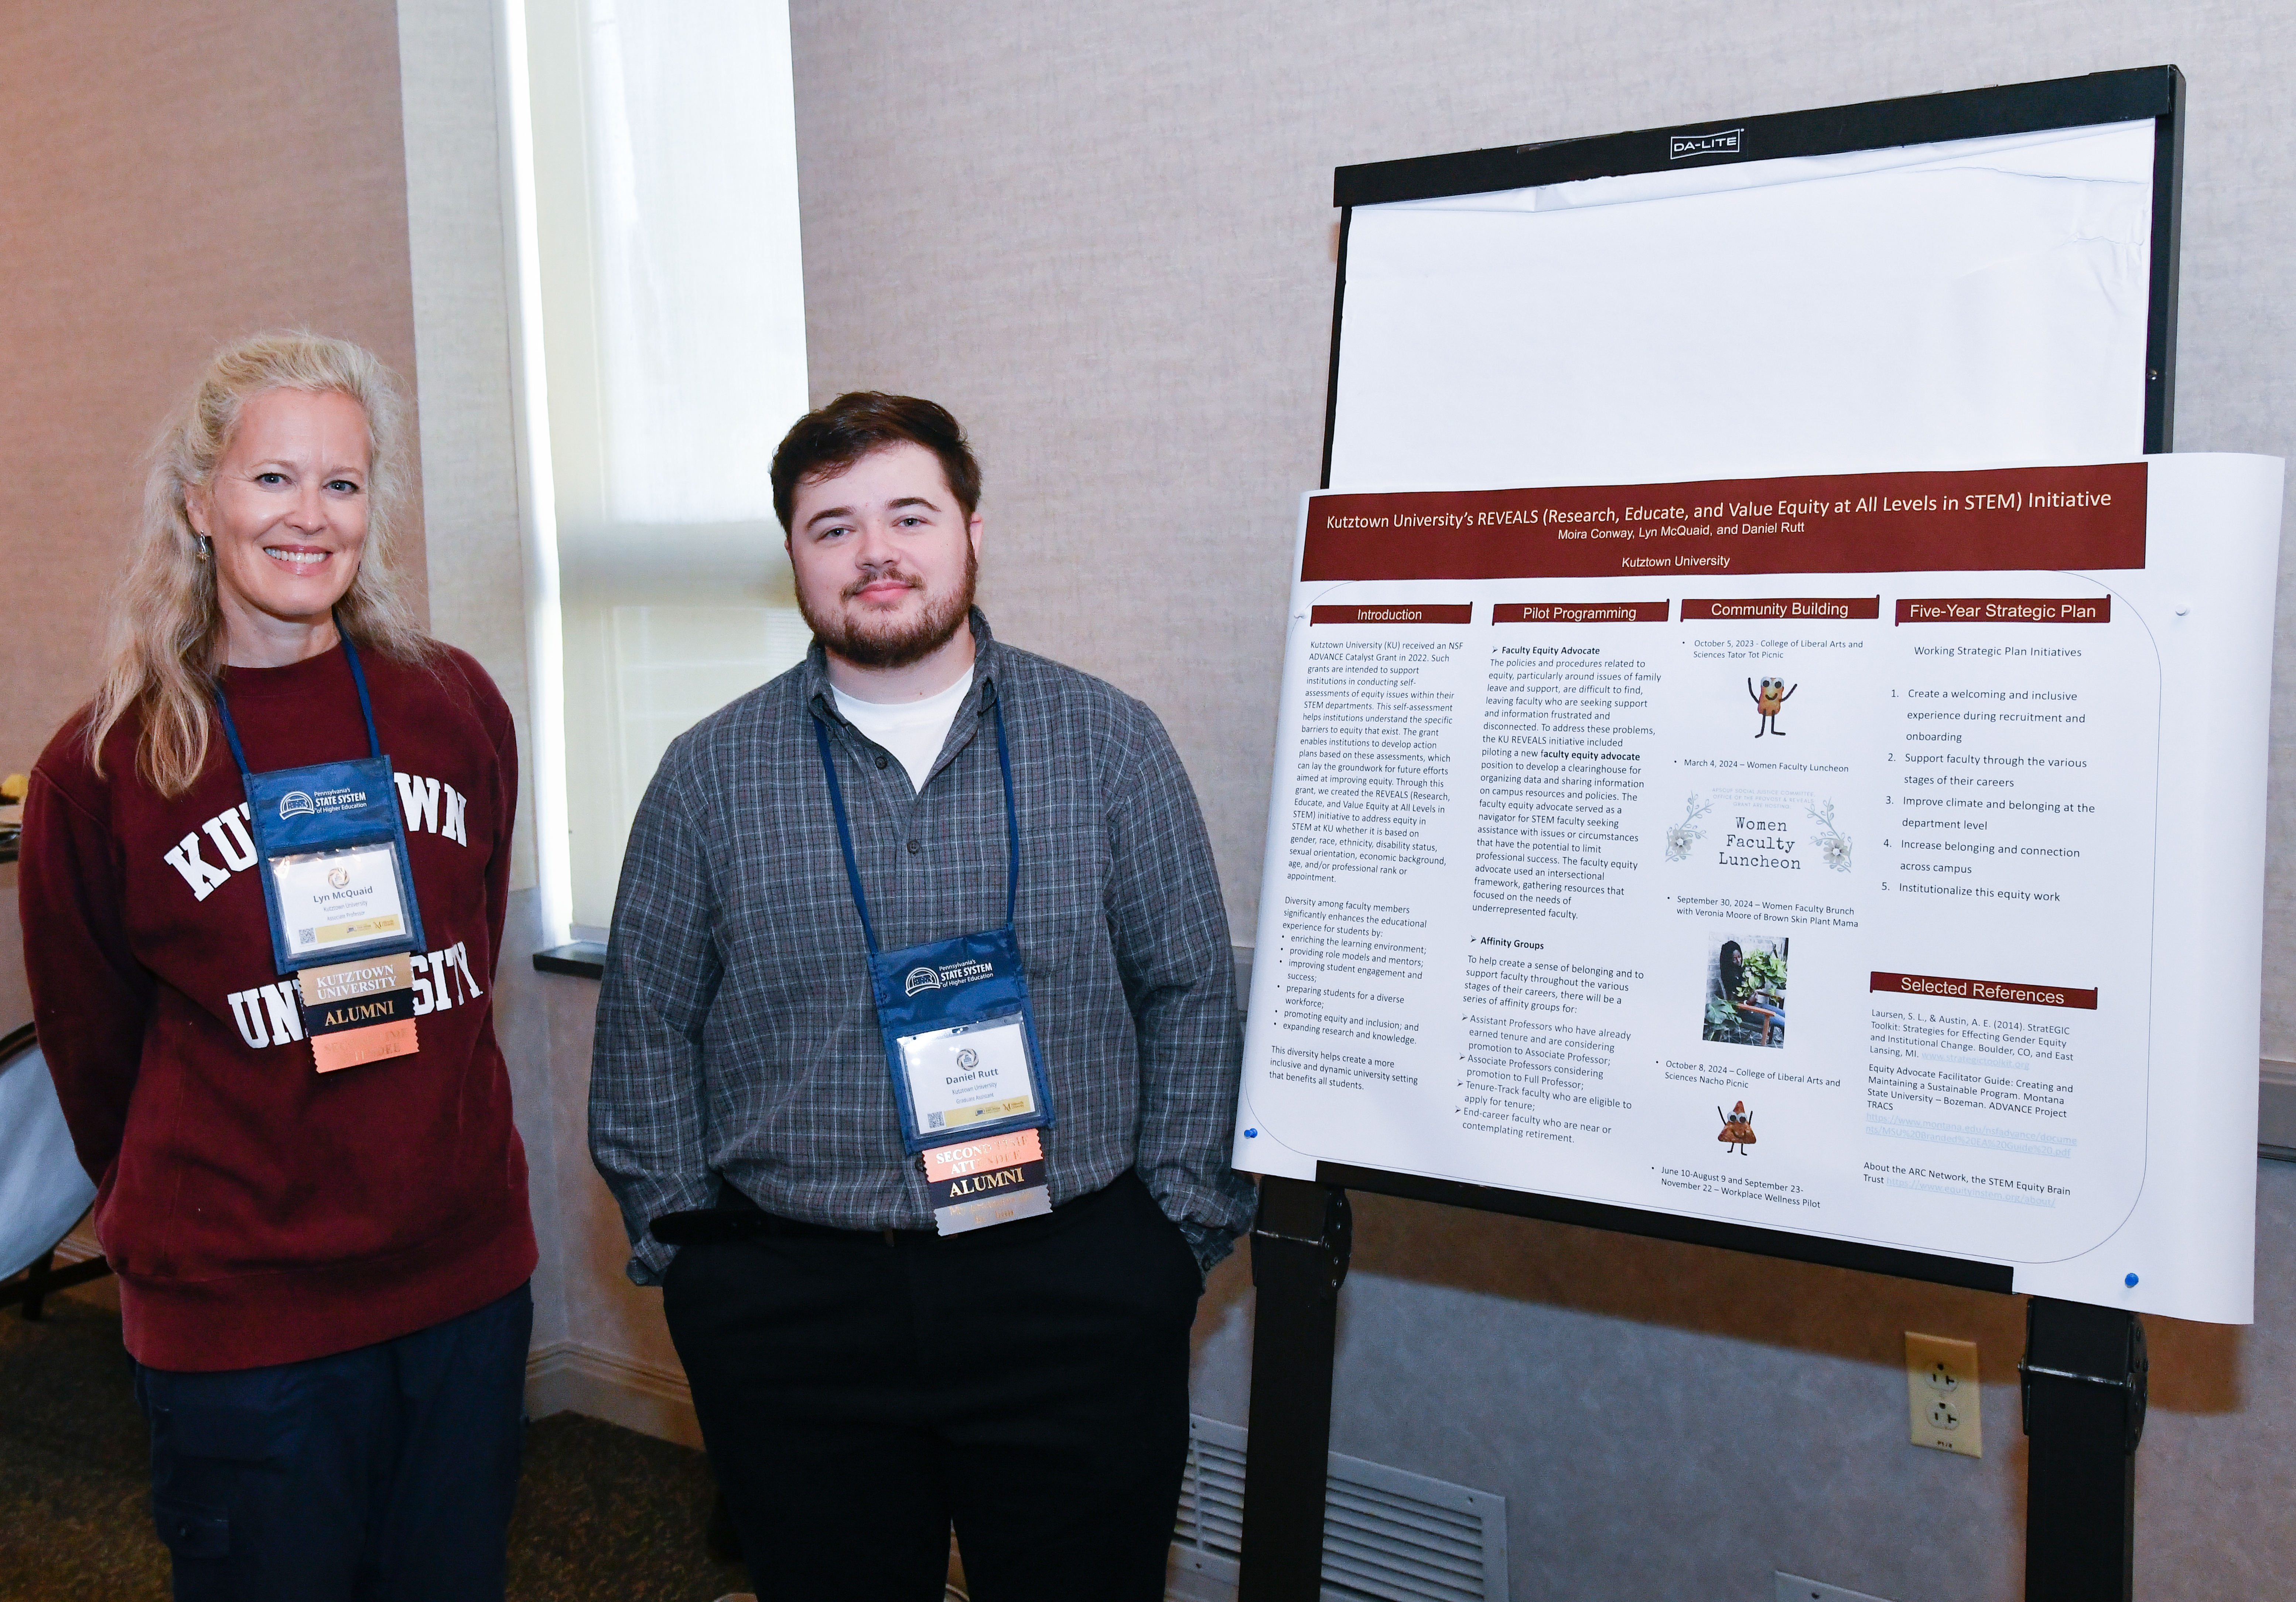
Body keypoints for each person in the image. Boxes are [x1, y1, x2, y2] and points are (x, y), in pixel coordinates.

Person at [589, 392, 1256, 1601]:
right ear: (792, 556)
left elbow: (1195, 990)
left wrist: (1172, 1238)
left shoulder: (1109, 742)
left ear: (972, 532)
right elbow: (645, 1025)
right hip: (796, 1306)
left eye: (910, 514)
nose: (876, 552)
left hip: (1071, 1289)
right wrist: (690, 1255)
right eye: (832, 526)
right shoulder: (706, 775)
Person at [19, 332, 535, 1600]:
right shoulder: (105, 765)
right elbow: (92, 1054)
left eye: (344, 485)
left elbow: (469, 957)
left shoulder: (453, 704)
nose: (311, 519)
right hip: (246, 1325)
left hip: (463, 1289)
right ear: (198, 502)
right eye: (272, 481)